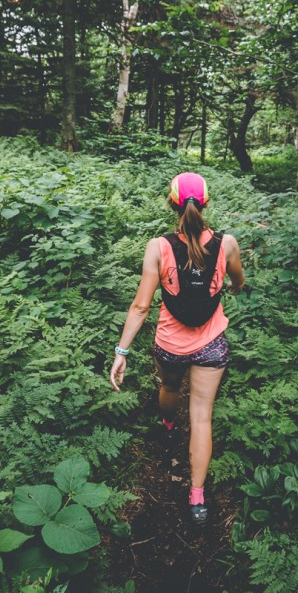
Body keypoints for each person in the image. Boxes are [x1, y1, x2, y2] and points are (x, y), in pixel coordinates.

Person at [109, 172, 245, 525]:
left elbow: (140, 307)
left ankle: (168, 423)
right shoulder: (227, 243)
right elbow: (238, 281)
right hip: (212, 344)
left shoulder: (159, 247)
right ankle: (197, 498)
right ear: (206, 203)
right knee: (202, 417)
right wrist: (230, 287)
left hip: (170, 344)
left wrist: (121, 353)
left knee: (169, 386)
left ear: (172, 203)